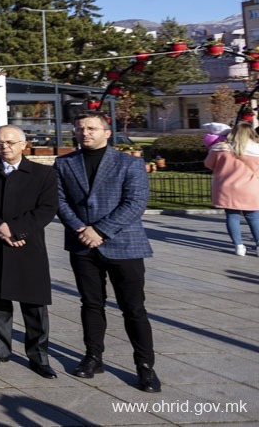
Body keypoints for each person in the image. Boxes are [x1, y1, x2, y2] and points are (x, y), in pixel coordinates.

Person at [55, 111, 160, 392]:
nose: (85, 133)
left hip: (124, 245)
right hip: (82, 245)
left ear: (107, 132)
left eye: (91, 128)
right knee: (91, 304)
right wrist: (81, 228)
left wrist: (100, 231)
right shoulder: (64, 163)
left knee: (133, 308)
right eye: (80, 128)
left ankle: (145, 366)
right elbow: (59, 200)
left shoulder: (129, 163)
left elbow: (135, 203)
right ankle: (93, 357)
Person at [0, 126, 60, 379]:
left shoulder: (43, 174)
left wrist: (17, 230)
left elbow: (47, 208)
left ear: (23, 145)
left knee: (34, 306)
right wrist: (0, 227)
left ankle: (39, 357)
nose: (4, 147)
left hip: (28, 246)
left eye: (10, 142)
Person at [206, 122, 259, 257]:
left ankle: (238, 246)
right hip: (250, 188)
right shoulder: (256, 150)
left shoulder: (219, 148)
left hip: (226, 188)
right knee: (254, 218)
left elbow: (208, 164)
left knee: (232, 216)